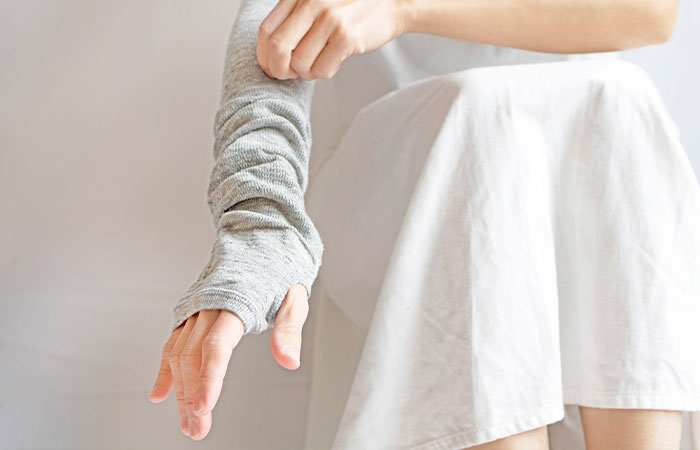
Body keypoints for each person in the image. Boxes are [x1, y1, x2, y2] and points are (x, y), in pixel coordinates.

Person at [148, 0, 700, 448]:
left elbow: (651, 12)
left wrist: (405, 8)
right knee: (484, 113)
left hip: (577, 194)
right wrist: (261, 230)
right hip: (398, 187)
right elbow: (270, 46)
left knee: (620, 95)